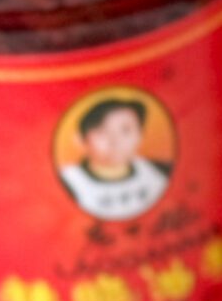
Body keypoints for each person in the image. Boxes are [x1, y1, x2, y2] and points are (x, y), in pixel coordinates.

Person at [58, 94, 173, 223]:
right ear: (81, 140)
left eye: (125, 131)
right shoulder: (69, 181)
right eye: (102, 131)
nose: (116, 140)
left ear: (140, 135)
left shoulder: (158, 170)